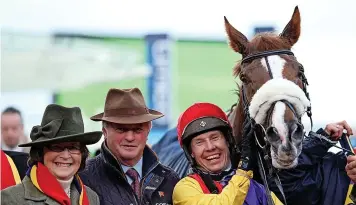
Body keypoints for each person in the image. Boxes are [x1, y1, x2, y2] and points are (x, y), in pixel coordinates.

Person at [79, 88, 180, 205]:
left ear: (148, 130)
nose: (130, 137)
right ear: (105, 131)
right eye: (121, 129)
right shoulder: (82, 179)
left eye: (138, 129)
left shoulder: (169, 179)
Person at [173, 102, 283, 205]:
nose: (210, 147)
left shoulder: (256, 189)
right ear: (191, 152)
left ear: (228, 141)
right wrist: (244, 168)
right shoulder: (184, 189)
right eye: (199, 142)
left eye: (215, 137)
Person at [1, 104, 102, 205]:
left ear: (82, 153)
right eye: (57, 147)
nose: (66, 155)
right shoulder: (9, 199)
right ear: (41, 152)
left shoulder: (92, 197)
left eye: (73, 147)